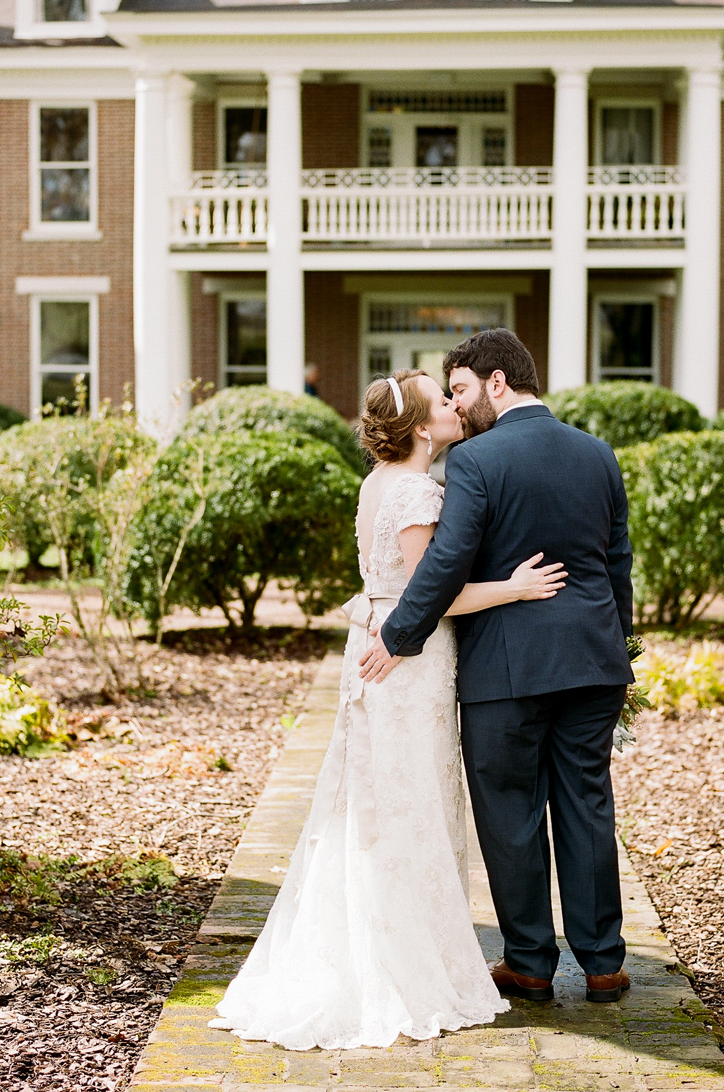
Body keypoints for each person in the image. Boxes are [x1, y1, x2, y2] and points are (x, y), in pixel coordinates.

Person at [208, 368, 567, 1050]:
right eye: (443, 402)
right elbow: (433, 595)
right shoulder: (415, 490)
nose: (455, 408)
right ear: (422, 429)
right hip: (408, 662)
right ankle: (404, 965)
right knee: (410, 802)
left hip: (375, 652)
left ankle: (386, 941)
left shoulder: (377, 484)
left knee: (377, 803)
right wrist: (515, 588)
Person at [360, 329, 635, 1005]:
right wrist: (614, 645)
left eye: (461, 389)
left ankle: (531, 965)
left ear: (498, 383)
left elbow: (446, 565)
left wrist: (395, 634)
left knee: (511, 813)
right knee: (587, 804)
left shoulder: (477, 462)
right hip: (593, 662)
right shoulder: (599, 454)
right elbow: (618, 564)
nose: (460, 404)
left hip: (505, 670)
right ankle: (603, 964)